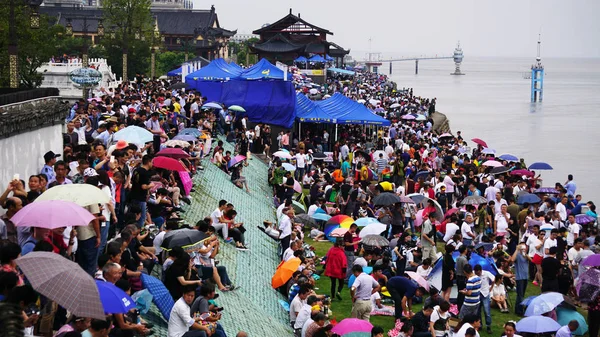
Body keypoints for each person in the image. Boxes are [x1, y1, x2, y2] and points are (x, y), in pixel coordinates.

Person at [510, 242, 530, 315]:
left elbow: (531, 261)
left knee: (522, 294)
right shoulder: (517, 255)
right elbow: (512, 259)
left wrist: (526, 255)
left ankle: (519, 308)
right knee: (520, 295)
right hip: (519, 277)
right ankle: (519, 311)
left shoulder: (525, 255)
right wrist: (517, 250)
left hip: (525, 277)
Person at [474, 265, 494, 334]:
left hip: (485, 294)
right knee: (478, 311)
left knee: (486, 311)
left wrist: (490, 289)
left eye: (478, 273)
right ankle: (480, 325)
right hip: (477, 294)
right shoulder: (474, 274)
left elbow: (494, 279)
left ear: (481, 270)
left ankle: (488, 326)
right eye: (476, 273)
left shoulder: (487, 273)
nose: (477, 274)